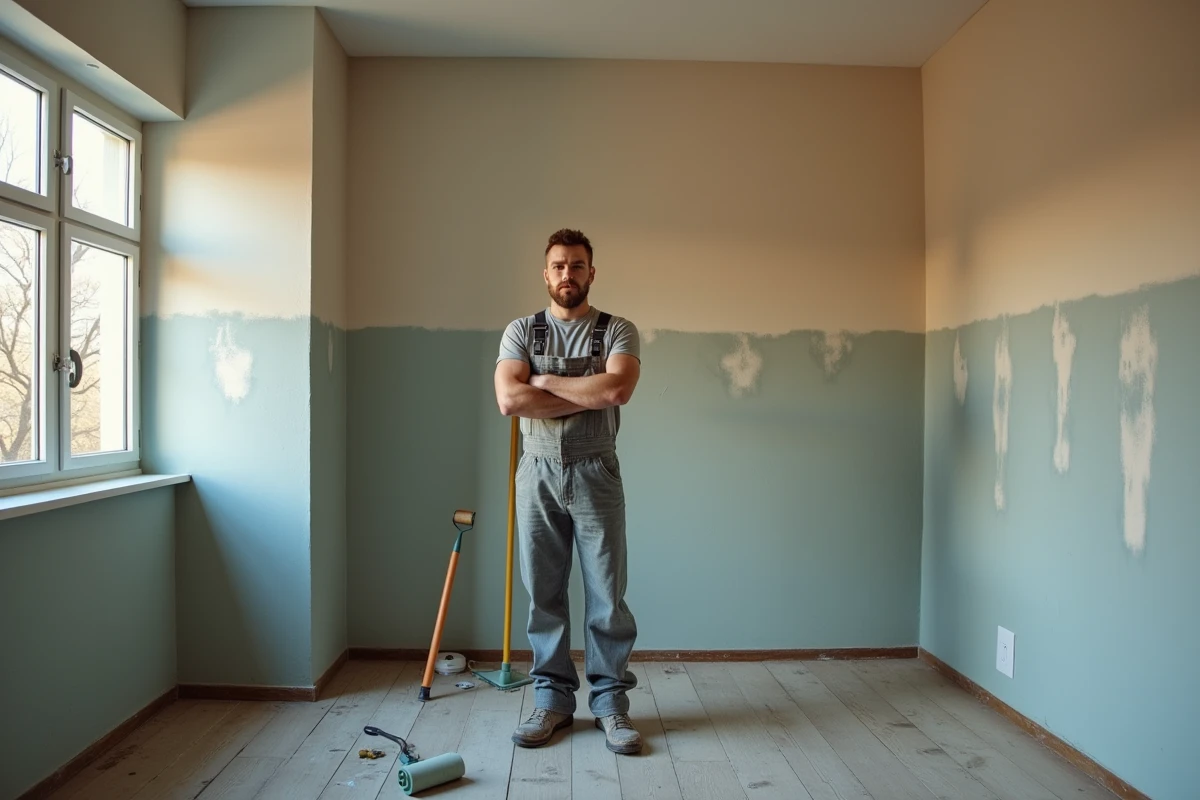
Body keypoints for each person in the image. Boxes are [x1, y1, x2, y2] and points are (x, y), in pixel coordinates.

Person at [494, 228, 643, 754]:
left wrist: (544, 383)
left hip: (596, 469)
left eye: (577, 265)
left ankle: (610, 706)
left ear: (591, 272)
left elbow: (617, 388)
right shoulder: (521, 331)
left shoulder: (617, 330)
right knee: (543, 595)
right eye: (558, 265)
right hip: (535, 470)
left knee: (607, 595)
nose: (567, 274)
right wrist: (587, 392)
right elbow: (509, 401)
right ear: (546, 273)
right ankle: (552, 702)